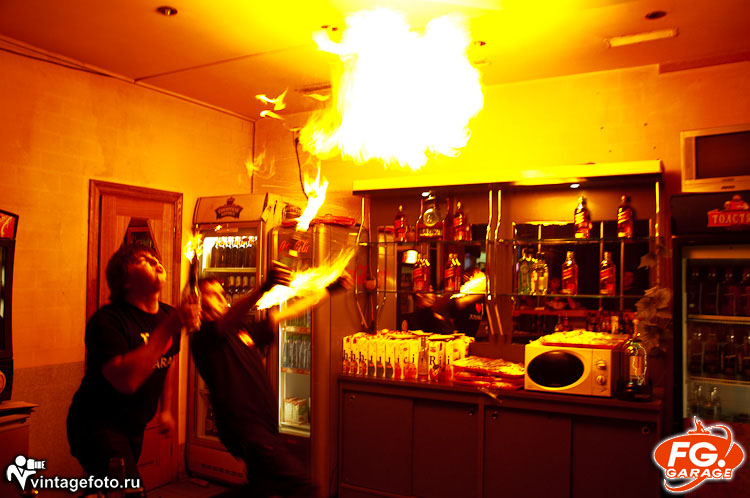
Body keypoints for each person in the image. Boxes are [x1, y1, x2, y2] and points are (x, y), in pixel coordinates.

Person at [191, 262, 351, 498]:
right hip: (247, 430)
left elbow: (283, 314)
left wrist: (329, 290)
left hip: (263, 426)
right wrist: (262, 288)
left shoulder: (240, 330)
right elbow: (226, 322)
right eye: (212, 295)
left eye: (222, 294)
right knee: (306, 489)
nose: (221, 299)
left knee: (262, 489)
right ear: (199, 302)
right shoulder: (203, 336)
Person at [67, 243, 200, 487]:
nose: (154, 261)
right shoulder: (107, 321)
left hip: (134, 425)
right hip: (96, 424)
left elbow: (168, 362)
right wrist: (171, 326)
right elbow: (126, 381)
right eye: (142, 260)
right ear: (125, 281)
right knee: (128, 489)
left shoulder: (167, 315)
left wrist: (166, 409)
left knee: (113, 489)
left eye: (155, 258)